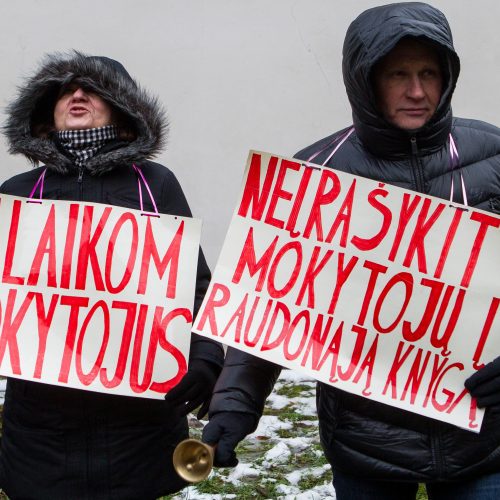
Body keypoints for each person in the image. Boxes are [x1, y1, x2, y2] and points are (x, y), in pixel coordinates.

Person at [202, 3, 500, 499]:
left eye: (429, 73)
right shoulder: (316, 176)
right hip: (367, 442)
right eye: (398, 74)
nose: (417, 91)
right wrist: (236, 402)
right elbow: (272, 305)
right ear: (365, 81)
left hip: (483, 439)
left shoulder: (493, 154)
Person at [0, 51, 224, 499]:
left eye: (93, 89)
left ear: (122, 112)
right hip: (42, 428)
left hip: (137, 428)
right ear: (47, 112)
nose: (78, 94)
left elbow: (193, 285)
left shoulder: (156, 185)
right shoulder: (17, 197)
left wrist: (205, 356)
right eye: (66, 90)